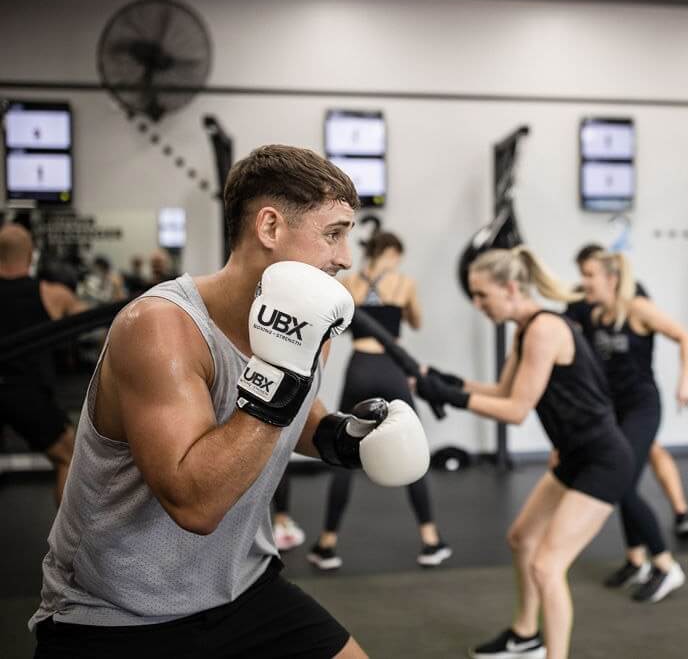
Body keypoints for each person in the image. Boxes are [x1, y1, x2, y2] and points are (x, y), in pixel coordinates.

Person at [29, 145, 430, 659]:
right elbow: (195, 502)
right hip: (118, 615)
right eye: (334, 233)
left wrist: (341, 437)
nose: (346, 257)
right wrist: (282, 376)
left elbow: (296, 418)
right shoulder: (160, 328)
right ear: (269, 227)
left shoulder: (307, 328)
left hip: (243, 586)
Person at [414, 246, 634, 659]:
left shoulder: (545, 329)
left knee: (546, 566)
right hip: (572, 455)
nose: (478, 305)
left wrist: (451, 398)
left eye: (482, 296)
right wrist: (447, 381)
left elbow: (515, 411)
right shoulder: (526, 329)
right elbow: (501, 392)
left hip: (603, 459)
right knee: (522, 538)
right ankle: (524, 635)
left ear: (511, 287)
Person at [307, 229, 451, 570]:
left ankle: (327, 543)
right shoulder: (404, 283)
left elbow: (334, 324)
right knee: (413, 448)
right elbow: (416, 321)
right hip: (391, 368)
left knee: (344, 446)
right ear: (393, 252)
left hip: (359, 367)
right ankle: (430, 539)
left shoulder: (349, 283)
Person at [577, 250, 688, 601]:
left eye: (589, 275)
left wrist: (685, 381)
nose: (583, 282)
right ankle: (636, 560)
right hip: (612, 410)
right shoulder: (596, 316)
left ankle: (665, 566)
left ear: (611, 279)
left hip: (642, 407)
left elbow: (687, 338)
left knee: (622, 483)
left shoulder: (638, 309)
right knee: (622, 484)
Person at [0, 223, 86, 504]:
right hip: (27, 393)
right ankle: (67, 546)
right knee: (68, 456)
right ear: (31, 254)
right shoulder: (52, 293)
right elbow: (94, 321)